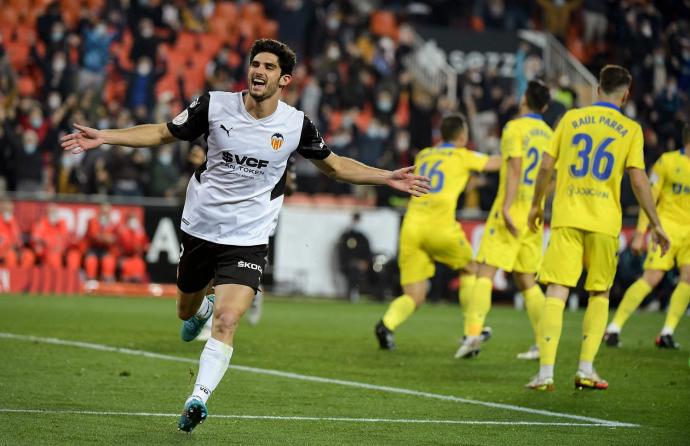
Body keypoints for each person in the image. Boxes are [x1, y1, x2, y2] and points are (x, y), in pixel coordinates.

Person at [61, 38, 430, 433]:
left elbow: (335, 167)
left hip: (249, 235)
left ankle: (197, 398)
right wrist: (105, 136)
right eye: (256, 64)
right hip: (201, 226)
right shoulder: (215, 105)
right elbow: (164, 133)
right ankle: (198, 310)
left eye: (270, 67)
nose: (259, 71)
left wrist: (386, 176)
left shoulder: (294, 124)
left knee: (229, 318)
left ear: (284, 79)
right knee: (187, 311)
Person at [525, 65, 670, 391]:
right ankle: (585, 369)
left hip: (567, 217)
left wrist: (536, 205)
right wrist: (656, 224)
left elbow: (547, 165)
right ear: (626, 93)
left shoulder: (572, 118)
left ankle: (546, 372)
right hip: (604, 221)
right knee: (599, 292)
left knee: (557, 291)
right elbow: (637, 179)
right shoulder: (630, 129)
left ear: (599, 88)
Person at [374, 113, 501, 351]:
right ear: (462, 135)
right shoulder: (463, 155)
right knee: (471, 269)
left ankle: (386, 325)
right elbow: (495, 163)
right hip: (440, 226)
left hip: (412, 226)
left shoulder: (424, 154)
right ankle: (470, 333)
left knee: (415, 294)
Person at [456, 81, 553, 360]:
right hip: (534, 212)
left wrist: (509, 206)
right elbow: (551, 175)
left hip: (511, 209)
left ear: (524, 100)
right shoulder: (549, 133)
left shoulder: (515, 128)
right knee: (526, 280)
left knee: (485, 272)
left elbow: (514, 169)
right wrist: (538, 206)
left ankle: (473, 334)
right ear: (544, 106)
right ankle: (543, 342)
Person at [604, 126, 690, 349]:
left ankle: (667, 332)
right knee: (652, 277)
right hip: (666, 228)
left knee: (688, 278)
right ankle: (614, 327)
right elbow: (649, 198)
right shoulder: (667, 162)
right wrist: (641, 233)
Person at [337, 212, 373, 302]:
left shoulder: (363, 237)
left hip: (361, 264)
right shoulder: (346, 236)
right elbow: (343, 252)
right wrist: (352, 261)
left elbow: (367, 252)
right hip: (349, 264)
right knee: (354, 270)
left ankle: (373, 293)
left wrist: (365, 262)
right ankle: (353, 291)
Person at [83, 203, 118, 281]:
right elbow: (94, 236)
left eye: (107, 213)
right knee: (91, 261)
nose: (105, 215)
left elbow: (115, 238)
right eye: (103, 212)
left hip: (105, 249)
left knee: (108, 260)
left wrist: (105, 237)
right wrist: (106, 237)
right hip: (93, 248)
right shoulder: (93, 221)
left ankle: (106, 281)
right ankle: (90, 280)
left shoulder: (112, 224)